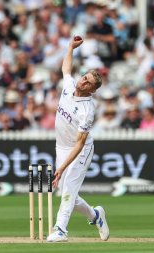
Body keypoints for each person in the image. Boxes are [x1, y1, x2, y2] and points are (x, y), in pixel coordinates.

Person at [46, 36, 109, 242]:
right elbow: (66, 68)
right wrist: (70, 48)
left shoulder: (87, 110)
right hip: (61, 146)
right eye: (84, 77)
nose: (83, 81)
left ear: (92, 90)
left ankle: (61, 230)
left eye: (88, 82)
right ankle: (95, 215)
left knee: (69, 189)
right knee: (65, 193)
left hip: (80, 149)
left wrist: (62, 168)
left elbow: (80, 143)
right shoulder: (69, 85)